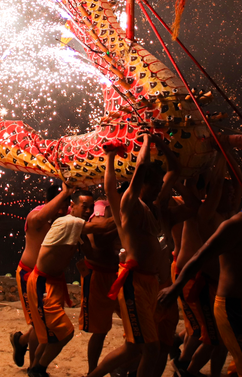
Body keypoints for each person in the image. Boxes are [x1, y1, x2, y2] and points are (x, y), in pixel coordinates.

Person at [160, 177, 242, 377]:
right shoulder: (233, 225)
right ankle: (185, 367)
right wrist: (175, 288)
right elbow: (198, 257)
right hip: (237, 310)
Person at [86, 134, 172, 377]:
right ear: (142, 182)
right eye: (154, 182)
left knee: (134, 348)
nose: (158, 187)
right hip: (134, 283)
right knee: (151, 349)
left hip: (150, 283)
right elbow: (116, 185)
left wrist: (162, 145)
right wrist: (145, 141)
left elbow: (174, 171)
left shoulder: (151, 208)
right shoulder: (129, 205)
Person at [27, 188, 114, 377]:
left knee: (51, 333)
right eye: (84, 206)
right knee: (64, 332)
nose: (88, 211)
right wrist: (128, 209)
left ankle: (35, 367)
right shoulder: (68, 222)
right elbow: (103, 226)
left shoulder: (77, 227)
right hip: (43, 282)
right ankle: (38, 368)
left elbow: (91, 254)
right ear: (72, 206)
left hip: (55, 282)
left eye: (91, 207)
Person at [174, 156, 240, 377]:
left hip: (215, 282)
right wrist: (222, 155)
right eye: (225, 193)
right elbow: (219, 185)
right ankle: (185, 369)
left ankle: (203, 371)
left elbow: (238, 186)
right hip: (197, 280)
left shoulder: (230, 216)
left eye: (232, 194)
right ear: (214, 194)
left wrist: (229, 154)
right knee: (211, 337)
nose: (230, 196)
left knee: (218, 339)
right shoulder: (205, 213)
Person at [10, 183, 72, 368]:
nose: (61, 209)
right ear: (47, 202)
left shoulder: (67, 216)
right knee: (40, 324)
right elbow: (42, 217)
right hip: (30, 275)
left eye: (65, 204)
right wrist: (66, 193)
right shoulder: (36, 216)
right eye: (58, 204)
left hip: (52, 278)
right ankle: (33, 366)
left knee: (46, 322)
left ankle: (21, 342)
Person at [77, 198, 121, 373]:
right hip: (98, 274)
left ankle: (121, 365)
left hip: (119, 274)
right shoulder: (100, 207)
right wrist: (123, 219)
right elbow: (100, 238)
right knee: (100, 329)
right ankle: (93, 371)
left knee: (134, 324)